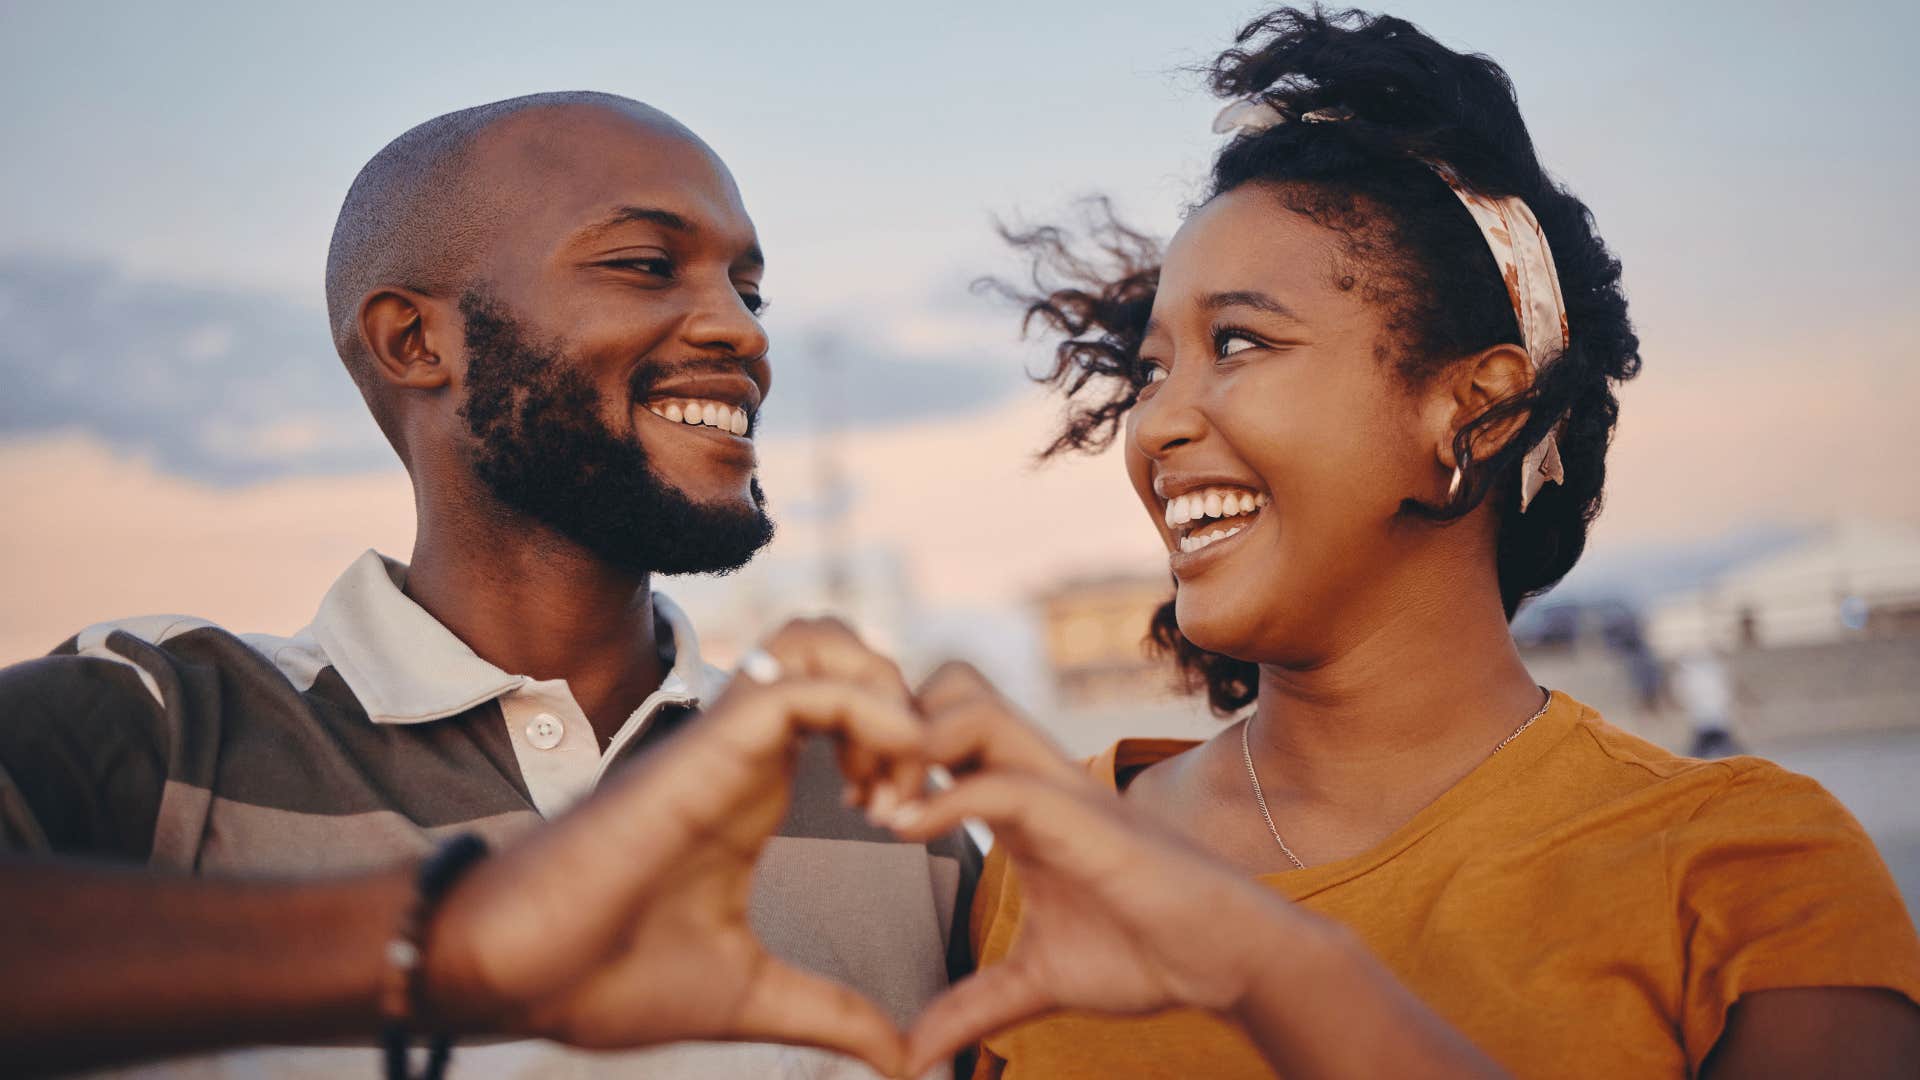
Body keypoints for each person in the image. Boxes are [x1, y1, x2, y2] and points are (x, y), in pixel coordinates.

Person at [897, 9, 1920, 1078]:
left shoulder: (1748, 867)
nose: (1155, 424)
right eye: (1154, 370)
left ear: (1475, 412)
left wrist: (1280, 973)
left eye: (1238, 342)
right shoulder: (1048, 851)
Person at [0, 93, 974, 1078]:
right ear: (415, 343)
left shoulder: (889, 804)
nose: (742, 332)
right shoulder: (169, 721)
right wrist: (451, 944)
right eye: (645, 265)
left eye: (749, 291)